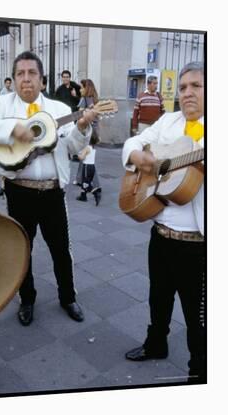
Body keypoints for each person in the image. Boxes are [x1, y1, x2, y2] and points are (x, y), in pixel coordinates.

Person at [0, 51, 97, 326]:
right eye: (20, 74)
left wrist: (81, 128)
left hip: (53, 191)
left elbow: (75, 148)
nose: (26, 79)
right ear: (14, 79)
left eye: (32, 74)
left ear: (42, 80)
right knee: (22, 249)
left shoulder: (60, 110)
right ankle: (27, 299)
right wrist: (14, 129)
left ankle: (68, 297)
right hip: (18, 190)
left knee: (60, 248)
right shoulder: (2, 104)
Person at [122, 62, 205, 384]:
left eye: (196, 86)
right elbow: (135, 142)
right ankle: (156, 344)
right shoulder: (168, 121)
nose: (187, 93)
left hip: (199, 245)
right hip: (160, 232)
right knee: (158, 297)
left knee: (199, 317)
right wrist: (137, 157)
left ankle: (201, 372)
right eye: (183, 87)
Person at [75, 79, 101, 205]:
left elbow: (79, 116)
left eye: (81, 87)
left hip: (86, 133)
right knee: (86, 160)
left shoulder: (84, 99)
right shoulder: (95, 100)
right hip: (94, 133)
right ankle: (83, 191)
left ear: (86, 88)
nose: (80, 90)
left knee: (87, 162)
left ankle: (95, 189)